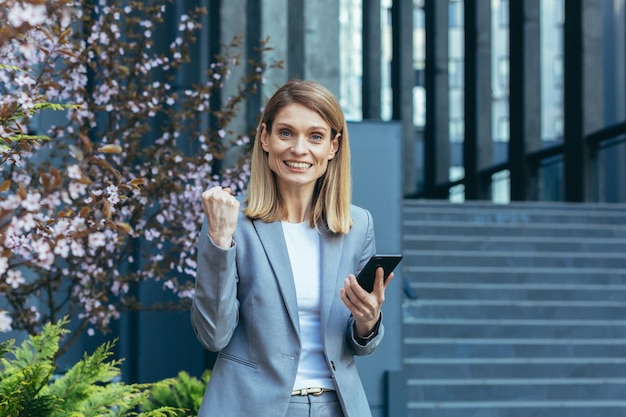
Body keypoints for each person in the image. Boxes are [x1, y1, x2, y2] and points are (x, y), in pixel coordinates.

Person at [191, 79, 394, 417]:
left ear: (333, 146)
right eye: (286, 133)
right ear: (265, 137)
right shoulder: (230, 221)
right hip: (252, 406)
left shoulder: (358, 226)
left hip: (338, 406)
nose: (299, 149)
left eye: (315, 136)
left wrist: (368, 321)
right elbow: (213, 335)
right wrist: (219, 242)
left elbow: (359, 343)